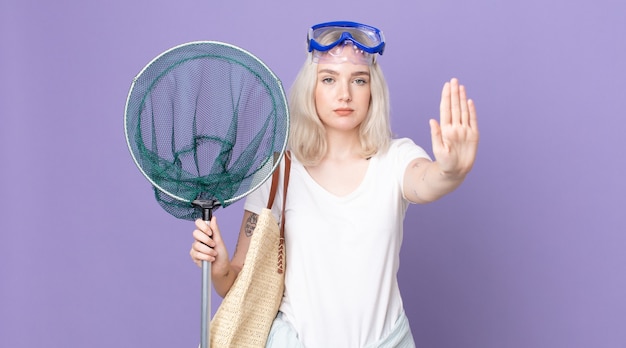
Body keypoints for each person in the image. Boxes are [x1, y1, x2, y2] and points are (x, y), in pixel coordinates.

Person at [190, 21, 479, 347]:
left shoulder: (396, 158)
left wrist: (451, 170)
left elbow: (427, 181)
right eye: (329, 79)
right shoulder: (279, 172)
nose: (345, 94)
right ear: (311, 87)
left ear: (373, 90)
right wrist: (218, 266)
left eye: (359, 80)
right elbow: (237, 285)